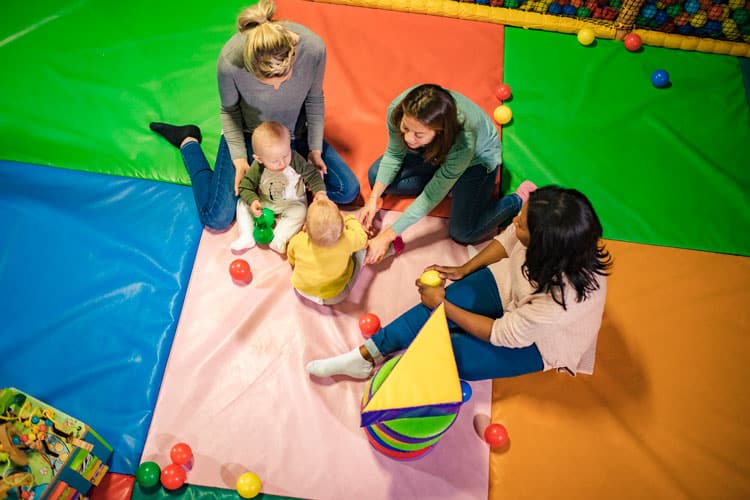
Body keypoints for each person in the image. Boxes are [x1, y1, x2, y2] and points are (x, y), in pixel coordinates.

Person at [307, 186, 612, 381]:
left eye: (522, 223)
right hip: (512, 286)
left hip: (537, 343)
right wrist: (464, 269)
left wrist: (443, 305)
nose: (515, 221)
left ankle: (400, 370)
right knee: (429, 313)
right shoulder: (555, 242)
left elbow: (503, 334)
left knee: (450, 355)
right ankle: (363, 357)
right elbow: (508, 241)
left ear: (543, 246)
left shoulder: (560, 302)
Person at [149, 0, 359, 231]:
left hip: (295, 134)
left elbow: (314, 99)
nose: (278, 88)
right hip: (251, 135)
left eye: (285, 79)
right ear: (250, 66)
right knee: (216, 217)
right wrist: (239, 159)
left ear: (292, 56)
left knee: (346, 190)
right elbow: (229, 111)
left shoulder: (313, 49)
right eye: (268, 83)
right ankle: (187, 141)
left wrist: (314, 149)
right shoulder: (230, 60)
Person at [359, 83, 536, 264]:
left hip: (476, 162)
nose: (408, 138)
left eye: (418, 134)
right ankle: (449, 181)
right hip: (436, 153)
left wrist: (388, 235)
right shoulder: (400, 109)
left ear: (439, 131)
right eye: (405, 128)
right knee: (376, 177)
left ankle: (517, 199)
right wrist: (372, 200)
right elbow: (394, 154)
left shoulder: (464, 140)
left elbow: (431, 194)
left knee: (464, 232)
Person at [234, 121, 326, 254]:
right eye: (274, 161)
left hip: (292, 203)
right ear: (259, 159)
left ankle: (279, 239)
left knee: (300, 211)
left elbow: (313, 175)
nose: (282, 163)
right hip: (265, 202)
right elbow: (245, 187)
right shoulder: (258, 166)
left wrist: (320, 192)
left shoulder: (295, 160)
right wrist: (253, 201)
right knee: (242, 204)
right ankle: (247, 235)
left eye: (285, 155)